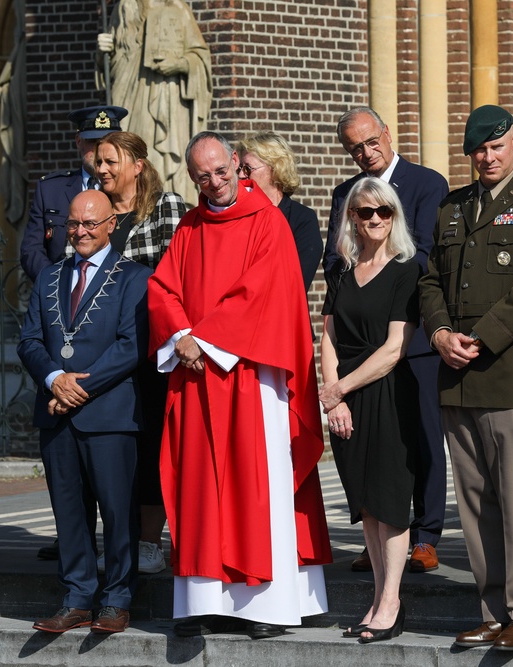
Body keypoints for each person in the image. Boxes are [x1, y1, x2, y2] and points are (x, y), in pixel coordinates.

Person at [147, 131, 331, 640]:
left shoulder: (267, 222)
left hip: (250, 376)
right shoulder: (188, 226)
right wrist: (183, 334)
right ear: (193, 178)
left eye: (222, 171)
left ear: (236, 164)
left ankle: (265, 606)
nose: (214, 182)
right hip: (196, 378)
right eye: (202, 176)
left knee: (255, 486)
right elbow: (163, 287)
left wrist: (202, 339)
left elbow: (262, 294)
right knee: (199, 487)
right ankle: (205, 600)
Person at [419, 105, 513, 651]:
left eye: (496, 147)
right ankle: (492, 609)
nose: (486, 157)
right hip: (457, 377)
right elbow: (431, 279)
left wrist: (479, 336)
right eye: (477, 151)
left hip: (511, 374)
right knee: (476, 502)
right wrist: (439, 334)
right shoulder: (453, 208)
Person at [18, 190, 152, 635]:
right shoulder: (50, 276)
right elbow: (29, 341)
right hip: (56, 413)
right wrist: (55, 378)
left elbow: (132, 345)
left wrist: (79, 387)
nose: (80, 232)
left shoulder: (135, 277)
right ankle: (76, 597)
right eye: (74, 224)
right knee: (68, 512)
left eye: (90, 224)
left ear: (112, 223)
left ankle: (116, 598)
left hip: (111, 415)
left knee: (118, 512)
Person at [326, 106, 449, 573]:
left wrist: (380, 273)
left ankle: (426, 535)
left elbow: (425, 256)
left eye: (371, 140)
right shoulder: (346, 193)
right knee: (374, 446)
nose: (365, 151)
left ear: (387, 133)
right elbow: (335, 260)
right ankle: (379, 532)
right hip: (361, 342)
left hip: (411, 338)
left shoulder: (426, 183)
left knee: (421, 436)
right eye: (355, 147)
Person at [320, 178, 420, 644]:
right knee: (367, 504)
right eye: (365, 213)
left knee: (390, 500)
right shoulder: (341, 269)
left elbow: (395, 349)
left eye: (383, 211)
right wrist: (333, 395)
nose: (375, 219)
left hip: (387, 394)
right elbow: (329, 336)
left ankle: (392, 603)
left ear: (394, 215)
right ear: (352, 218)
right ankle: (378, 598)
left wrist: (339, 388)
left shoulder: (406, 270)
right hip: (348, 398)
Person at [93, 130, 187, 574]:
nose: (103, 169)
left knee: (150, 445)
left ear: (138, 165)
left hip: (151, 349)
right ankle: (116, 539)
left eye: (111, 161)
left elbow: (176, 275)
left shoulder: (165, 209)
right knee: (112, 449)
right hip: (103, 350)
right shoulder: (93, 209)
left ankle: (150, 541)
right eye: (99, 162)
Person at [97, 0, 212, 205]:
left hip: (164, 96)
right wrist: (102, 52)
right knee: (129, 149)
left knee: (157, 155)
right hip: (129, 98)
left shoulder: (178, 8)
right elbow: (111, 67)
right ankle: (130, 202)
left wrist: (181, 64)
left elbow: (200, 57)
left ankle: (165, 204)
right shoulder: (124, 8)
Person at [20, 105, 128, 283]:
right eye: (93, 142)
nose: (100, 150)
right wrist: (54, 285)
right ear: (79, 141)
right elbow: (31, 249)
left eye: (108, 142)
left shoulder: (130, 188)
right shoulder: (51, 190)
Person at [236, 131, 322, 292]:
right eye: (239, 168)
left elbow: (296, 283)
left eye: (248, 169)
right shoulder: (238, 216)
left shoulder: (302, 219)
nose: (241, 175)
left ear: (275, 169)